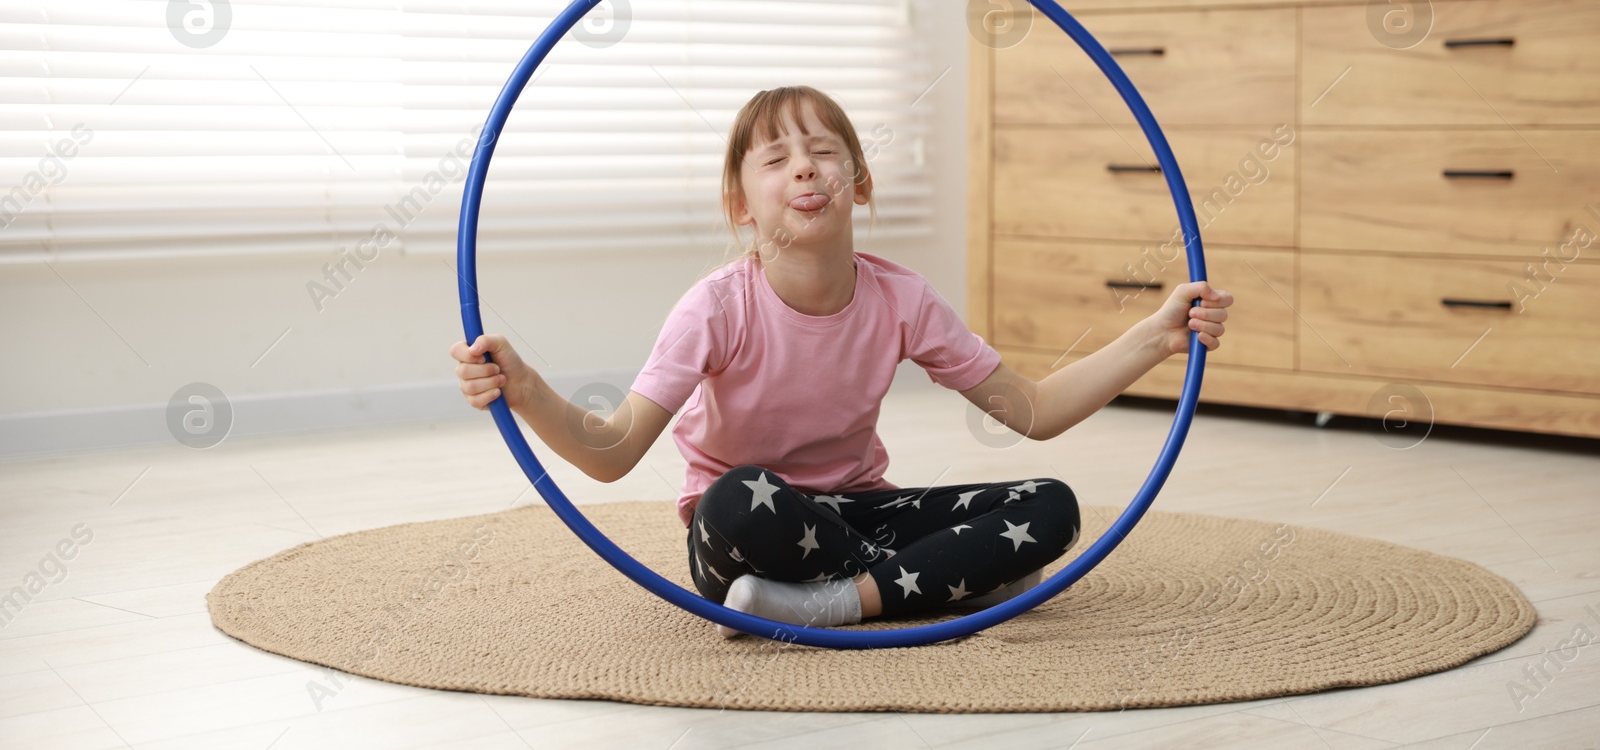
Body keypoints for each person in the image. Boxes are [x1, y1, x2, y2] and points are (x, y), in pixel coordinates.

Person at [450, 85, 1231, 638]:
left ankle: (838, 601)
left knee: (1051, 504)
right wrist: (524, 389)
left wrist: (1156, 338)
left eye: (824, 150)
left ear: (859, 181)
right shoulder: (717, 306)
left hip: (860, 513)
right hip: (752, 534)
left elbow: (1032, 409)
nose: (803, 167)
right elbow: (613, 450)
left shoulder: (900, 297)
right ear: (739, 204)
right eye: (776, 158)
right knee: (735, 497)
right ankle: (939, 583)